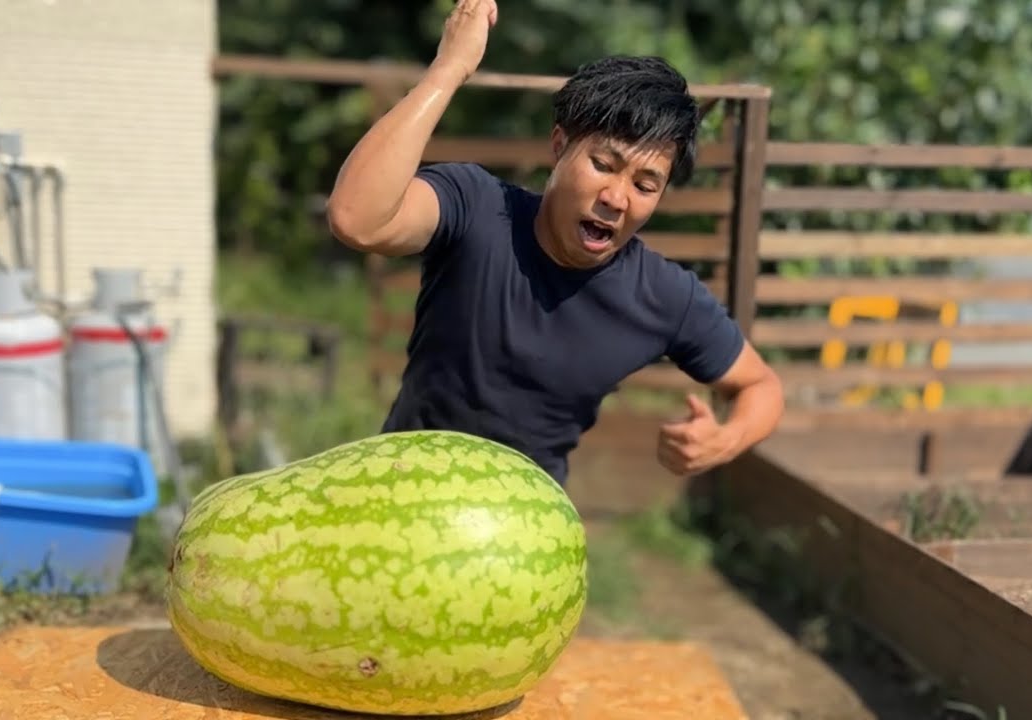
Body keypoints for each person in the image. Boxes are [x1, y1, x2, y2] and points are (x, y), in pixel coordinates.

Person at [325, 0, 784, 486]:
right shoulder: (475, 207)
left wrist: (725, 439)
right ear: (560, 145)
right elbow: (356, 219)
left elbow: (761, 387)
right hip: (396, 491)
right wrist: (448, 69)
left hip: (530, 521)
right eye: (603, 165)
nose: (616, 198)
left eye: (645, 185)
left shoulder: (664, 296)